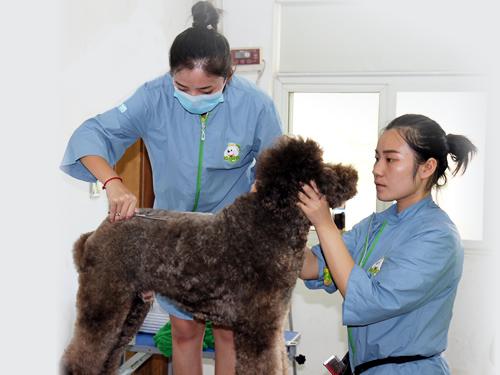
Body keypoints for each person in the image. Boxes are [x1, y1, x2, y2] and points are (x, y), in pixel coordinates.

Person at [60, 2, 283, 374]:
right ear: (170, 75)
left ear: (228, 75)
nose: (193, 97)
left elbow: (276, 168)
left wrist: (263, 193)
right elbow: (91, 134)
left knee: (229, 334)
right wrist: (113, 182)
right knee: (184, 332)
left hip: (228, 242)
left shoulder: (256, 106)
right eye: (183, 87)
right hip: (173, 241)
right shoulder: (153, 96)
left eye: (206, 89)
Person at [298, 114, 476, 374]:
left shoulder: (437, 237)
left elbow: (370, 301)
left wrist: (324, 223)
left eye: (391, 160)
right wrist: (277, 222)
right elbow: (311, 266)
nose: (377, 169)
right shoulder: (374, 226)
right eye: (377, 158)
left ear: (427, 168)